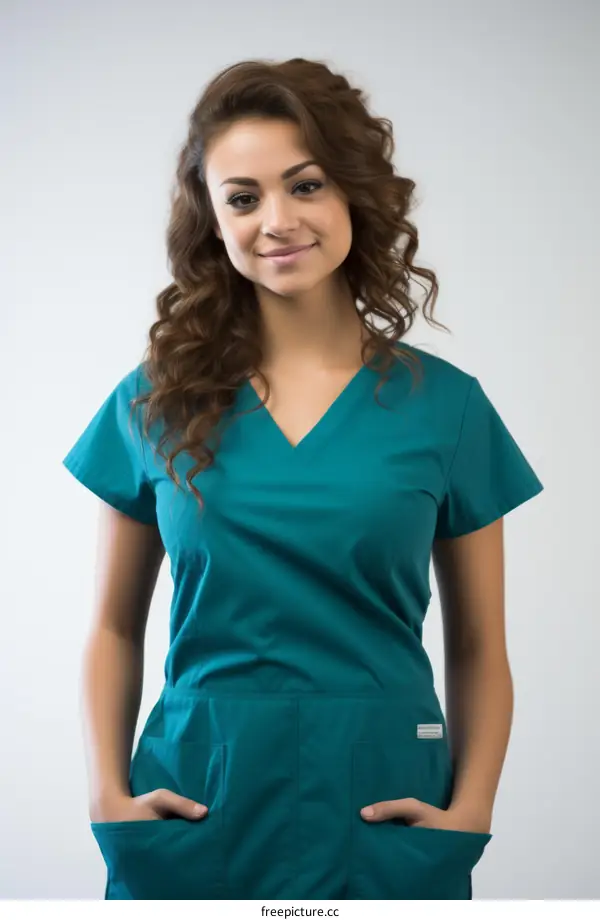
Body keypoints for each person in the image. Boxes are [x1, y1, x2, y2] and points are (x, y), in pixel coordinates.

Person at [62, 58, 544, 900]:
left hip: (385, 800)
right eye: (243, 197)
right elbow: (111, 627)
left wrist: (471, 809)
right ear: (213, 221)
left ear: (353, 191)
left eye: (306, 184)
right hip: (193, 800)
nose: (277, 220)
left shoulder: (447, 408)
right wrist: (107, 794)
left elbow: (478, 645)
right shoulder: (155, 400)